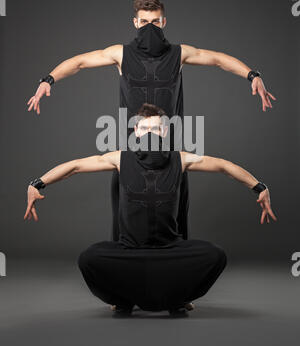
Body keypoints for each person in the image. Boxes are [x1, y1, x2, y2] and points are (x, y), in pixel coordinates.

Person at [26, 0, 277, 246]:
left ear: (164, 22)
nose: (149, 27)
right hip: (132, 149)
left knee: (176, 212)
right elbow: (80, 62)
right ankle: (126, 265)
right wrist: (48, 80)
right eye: (144, 22)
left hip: (169, 147)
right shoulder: (120, 54)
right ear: (135, 23)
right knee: (125, 214)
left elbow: (218, 59)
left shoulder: (179, 54)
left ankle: (174, 266)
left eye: (155, 22)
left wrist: (252, 75)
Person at [24, 103, 277, 317]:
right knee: (89, 258)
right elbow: (76, 166)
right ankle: (123, 299)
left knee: (216, 255)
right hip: (129, 252)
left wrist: (259, 187)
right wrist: (38, 183)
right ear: (135, 131)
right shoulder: (120, 158)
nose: (150, 134)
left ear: (165, 131)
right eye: (144, 129)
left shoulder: (181, 158)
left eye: (155, 129)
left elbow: (223, 166)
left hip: (170, 252)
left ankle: (178, 297)